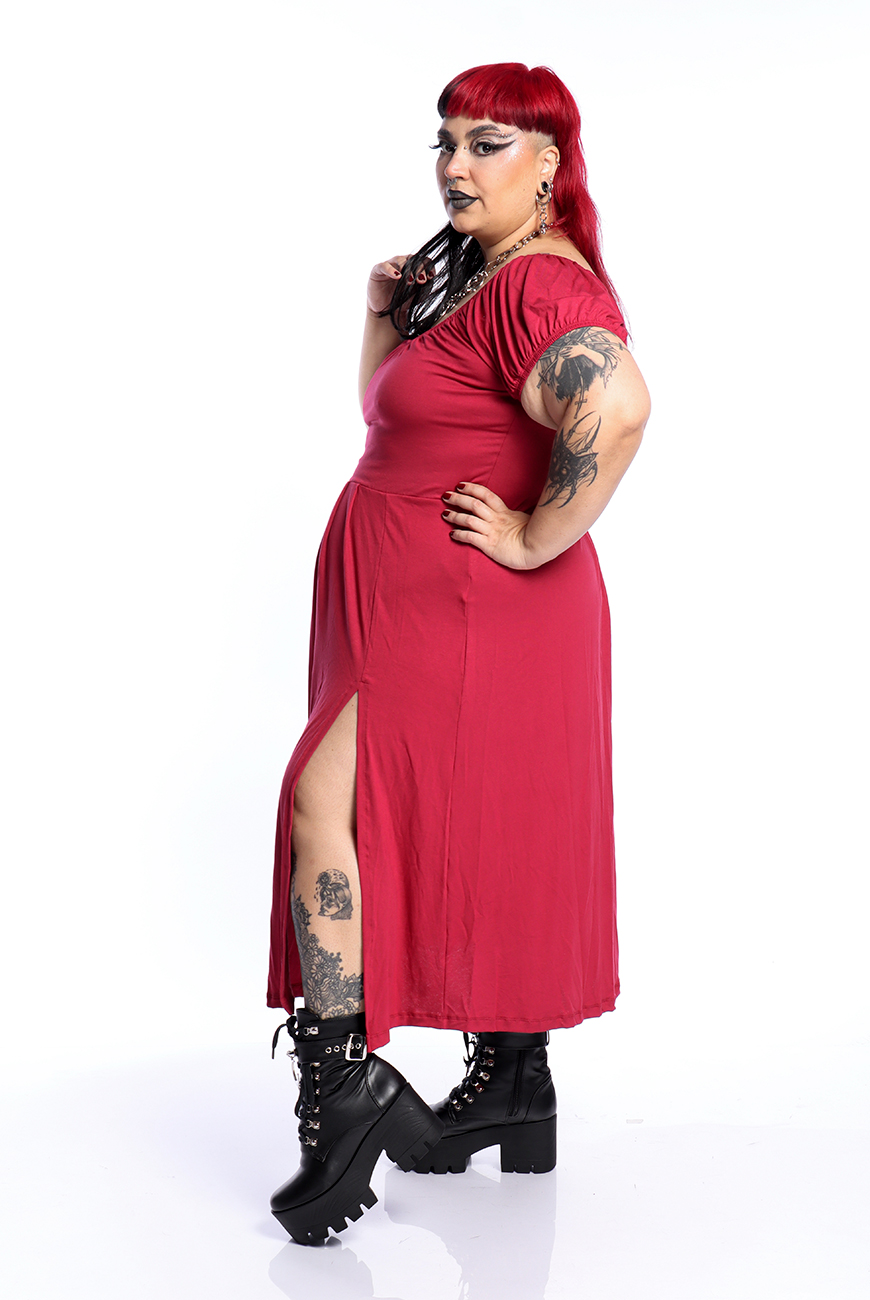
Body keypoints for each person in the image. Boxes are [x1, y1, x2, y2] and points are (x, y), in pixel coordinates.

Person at [267, 62, 650, 1245]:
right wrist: (383, 315)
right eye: (445, 141)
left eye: (488, 144)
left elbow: (617, 406)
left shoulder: (540, 284)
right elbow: (392, 417)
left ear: (550, 164)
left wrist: (535, 537)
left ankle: (344, 1097)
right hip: (414, 597)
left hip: (465, 601)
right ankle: (515, 1086)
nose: (454, 166)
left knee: (323, 805)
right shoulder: (473, 276)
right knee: (491, 823)